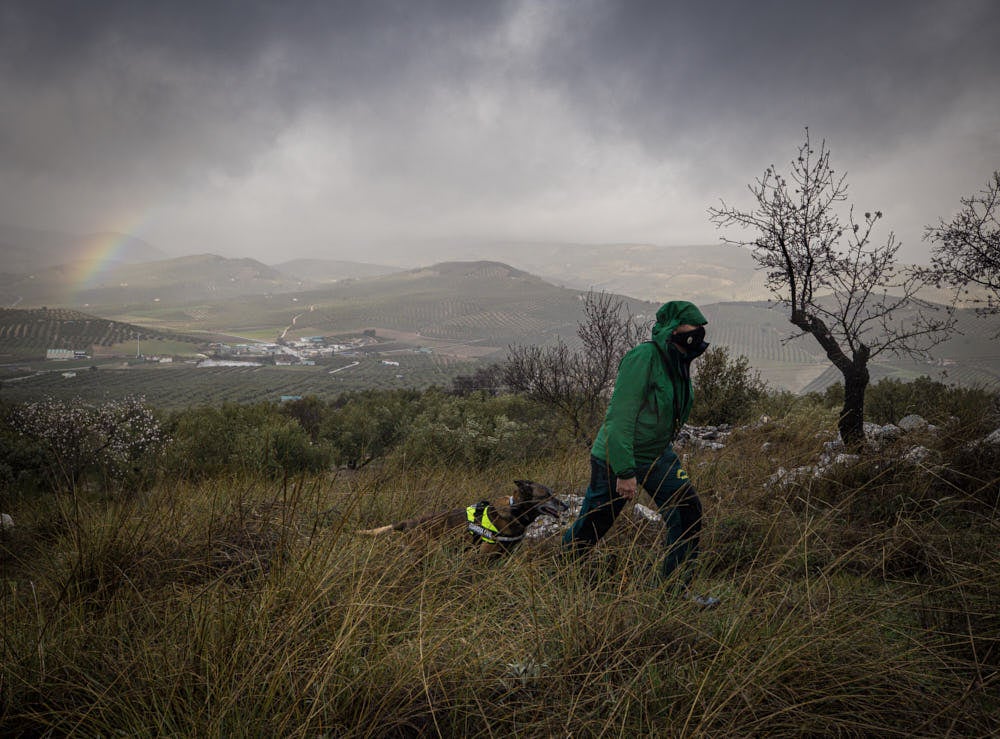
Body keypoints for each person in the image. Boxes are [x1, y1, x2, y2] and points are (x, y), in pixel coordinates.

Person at [562, 300, 718, 606]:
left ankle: (674, 593)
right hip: (617, 457)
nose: (698, 334)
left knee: (688, 512)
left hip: (657, 454)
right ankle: (561, 571)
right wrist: (625, 471)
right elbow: (619, 418)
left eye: (701, 328)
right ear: (673, 329)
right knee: (596, 522)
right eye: (692, 327)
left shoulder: (679, 358)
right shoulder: (644, 357)